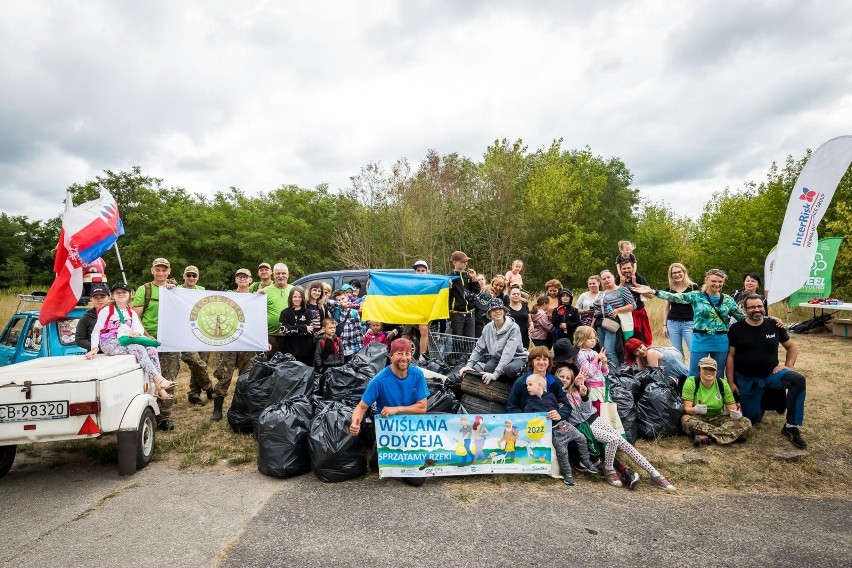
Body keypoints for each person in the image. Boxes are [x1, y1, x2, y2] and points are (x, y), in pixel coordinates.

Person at [563, 369, 674, 491]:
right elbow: (569, 416)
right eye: (561, 376)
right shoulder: (559, 396)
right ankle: (609, 469)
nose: (564, 379)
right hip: (582, 427)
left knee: (626, 445)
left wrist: (584, 395)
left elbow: (588, 408)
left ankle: (656, 474)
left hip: (594, 419)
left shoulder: (577, 390)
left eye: (568, 378)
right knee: (613, 439)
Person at [727, 294, 808, 448]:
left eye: (759, 306)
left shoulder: (774, 325)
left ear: (763, 307)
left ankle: (791, 427)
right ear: (745, 309)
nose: (756, 309)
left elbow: (792, 347)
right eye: (751, 307)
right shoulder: (736, 328)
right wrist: (731, 382)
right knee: (753, 418)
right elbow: (730, 357)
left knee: (798, 380)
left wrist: (788, 366)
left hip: (771, 376)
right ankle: (761, 404)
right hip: (746, 379)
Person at [632, 269, 744, 378]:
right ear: (706, 281)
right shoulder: (697, 296)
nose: (717, 284)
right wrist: (653, 291)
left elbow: (741, 317)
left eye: (720, 282)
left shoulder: (728, 300)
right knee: (694, 373)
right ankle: (691, 396)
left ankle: (716, 396)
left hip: (721, 340)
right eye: (713, 281)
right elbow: (674, 297)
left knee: (718, 373)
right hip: (700, 339)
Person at [349, 338, 429, 487]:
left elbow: (422, 407)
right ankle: (378, 447)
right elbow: (361, 407)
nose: (404, 358)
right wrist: (355, 422)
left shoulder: (417, 375)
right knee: (377, 468)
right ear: (390, 356)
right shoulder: (380, 380)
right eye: (399, 353)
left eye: (407, 353)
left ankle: (383, 451)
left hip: (411, 431)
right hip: (390, 432)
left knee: (417, 480)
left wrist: (397, 409)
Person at [88, 282, 174, 399]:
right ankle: (158, 380)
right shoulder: (107, 310)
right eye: (117, 292)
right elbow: (96, 329)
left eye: (124, 292)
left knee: (152, 349)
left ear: (130, 295)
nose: (121, 294)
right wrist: (94, 348)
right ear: (113, 295)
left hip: (126, 340)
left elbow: (138, 327)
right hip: (109, 342)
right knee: (138, 348)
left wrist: (136, 333)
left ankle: (158, 388)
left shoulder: (131, 312)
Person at [132, 257, 178, 431]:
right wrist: (146, 335)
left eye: (164, 270)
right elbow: (135, 316)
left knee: (169, 376)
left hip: (170, 341)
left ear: (169, 271)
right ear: (152, 271)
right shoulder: (144, 289)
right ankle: (148, 412)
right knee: (148, 376)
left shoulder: (174, 289)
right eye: (157, 270)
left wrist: (174, 290)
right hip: (148, 340)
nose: (161, 273)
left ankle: (165, 416)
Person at [210, 268, 258, 421]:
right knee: (224, 376)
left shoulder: (255, 297)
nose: (242, 279)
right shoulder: (227, 297)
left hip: (248, 344)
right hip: (229, 343)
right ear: (236, 280)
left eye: (245, 277)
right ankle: (217, 410)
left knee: (247, 377)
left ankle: (243, 408)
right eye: (239, 277)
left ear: (250, 280)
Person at [523, 374, 584, 486]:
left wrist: (559, 413)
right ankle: (568, 475)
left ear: (540, 385)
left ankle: (586, 461)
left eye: (530, 385)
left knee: (581, 438)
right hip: (551, 432)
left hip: (563, 426)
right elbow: (527, 417)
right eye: (527, 385)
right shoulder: (530, 402)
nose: (527, 387)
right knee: (562, 453)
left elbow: (558, 408)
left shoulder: (551, 396)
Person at [682, 357, 752, 445]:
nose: (709, 371)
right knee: (685, 420)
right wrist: (695, 410)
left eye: (712, 369)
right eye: (705, 368)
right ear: (699, 370)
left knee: (746, 422)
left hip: (717, 417)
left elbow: (732, 409)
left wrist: (737, 414)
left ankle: (707, 438)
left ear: (716, 371)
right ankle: (731, 435)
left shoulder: (722, 384)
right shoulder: (691, 382)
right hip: (698, 418)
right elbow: (687, 409)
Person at [460, 298, 528, 385]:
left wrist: (496, 374)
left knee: (510, 369)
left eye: (500, 309)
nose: (497, 312)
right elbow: (479, 349)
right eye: (493, 310)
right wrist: (469, 365)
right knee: (488, 368)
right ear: (489, 314)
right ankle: (499, 386)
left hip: (516, 357)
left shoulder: (513, 328)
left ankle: (514, 384)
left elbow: (508, 353)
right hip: (498, 357)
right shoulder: (487, 328)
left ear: (504, 311)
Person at [179, 265, 214, 406]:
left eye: (194, 276)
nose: (191, 278)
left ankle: (194, 394)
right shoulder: (176, 290)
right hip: (183, 333)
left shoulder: (202, 291)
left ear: (198, 277)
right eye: (189, 275)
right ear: (184, 276)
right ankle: (209, 387)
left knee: (200, 363)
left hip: (201, 332)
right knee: (196, 362)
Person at [593, 269, 635, 368]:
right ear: (601, 281)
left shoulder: (622, 290)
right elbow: (596, 310)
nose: (606, 280)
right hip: (600, 324)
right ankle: (607, 374)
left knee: (609, 351)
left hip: (612, 324)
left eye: (608, 277)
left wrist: (617, 310)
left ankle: (617, 374)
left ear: (613, 277)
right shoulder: (601, 293)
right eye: (604, 279)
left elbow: (633, 305)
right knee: (602, 351)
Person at [662, 263, 699, 359]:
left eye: (679, 272)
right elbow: (666, 309)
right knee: (677, 353)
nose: (677, 274)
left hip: (689, 323)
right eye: (674, 273)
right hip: (672, 323)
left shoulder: (693, 287)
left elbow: (698, 307)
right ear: (671, 275)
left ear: (684, 272)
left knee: (694, 350)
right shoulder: (669, 289)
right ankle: (681, 373)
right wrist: (664, 326)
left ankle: (695, 373)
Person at [573, 325, 608, 414]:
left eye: (594, 338)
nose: (593, 340)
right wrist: (596, 359)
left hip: (601, 387)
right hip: (591, 388)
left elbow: (605, 373)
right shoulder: (580, 354)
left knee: (604, 411)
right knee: (596, 411)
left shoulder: (594, 352)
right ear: (581, 339)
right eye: (589, 338)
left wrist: (604, 362)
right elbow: (589, 372)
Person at [279, 286, 315, 366]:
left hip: (305, 352)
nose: (297, 299)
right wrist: (304, 328)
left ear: (303, 298)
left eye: (300, 297)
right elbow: (285, 330)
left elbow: (310, 331)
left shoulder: (308, 313)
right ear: (291, 298)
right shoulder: (284, 313)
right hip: (288, 352)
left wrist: (292, 329)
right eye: (295, 296)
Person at [617, 260, 652, 344]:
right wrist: (621, 285)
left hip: (638, 314)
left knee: (641, 339)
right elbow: (611, 296)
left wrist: (635, 284)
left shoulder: (639, 279)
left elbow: (650, 295)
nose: (627, 270)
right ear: (620, 270)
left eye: (629, 268)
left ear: (633, 268)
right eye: (624, 268)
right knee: (626, 340)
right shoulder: (617, 280)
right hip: (624, 315)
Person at [447, 251, 480, 339]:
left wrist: (474, 279)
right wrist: (449, 288)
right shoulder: (449, 277)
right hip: (457, 314)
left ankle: (469, 353)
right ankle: (458, 354)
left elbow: (477, 291)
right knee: (457, 340)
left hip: (470, 313)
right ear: (454, 262)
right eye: (462, 261)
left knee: (470, 340)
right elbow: (446, 297)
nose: (465, 263)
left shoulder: (468, 276)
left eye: (466, 261)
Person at [624, 338, 689, 380]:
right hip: (670, 379)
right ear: (633, 354)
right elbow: (641, 374)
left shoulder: (651, 352)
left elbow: (653, 376)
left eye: (641, 347)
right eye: (636, 351)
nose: (641, 351)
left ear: (643, 344)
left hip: (682, 377)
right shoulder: (640, 357)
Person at [264, 263, 293, 357]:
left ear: (288, 275)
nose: (281, 276)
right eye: (278, 273)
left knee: (288, 365)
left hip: (290, 336)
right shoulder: (265, 291)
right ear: (273, 275)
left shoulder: (294, 290)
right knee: (269, 365)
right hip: (270, 336)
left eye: (283, 273)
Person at [75, 282, 111, 352]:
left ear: (108, 298)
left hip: (116, 353)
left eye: (102, 297)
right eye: (96, 297)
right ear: (91, 299)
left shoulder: (116, 314)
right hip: (95, 355)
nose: (99, 300)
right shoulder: (86, 317)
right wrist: (97, 347)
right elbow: (79, 340)